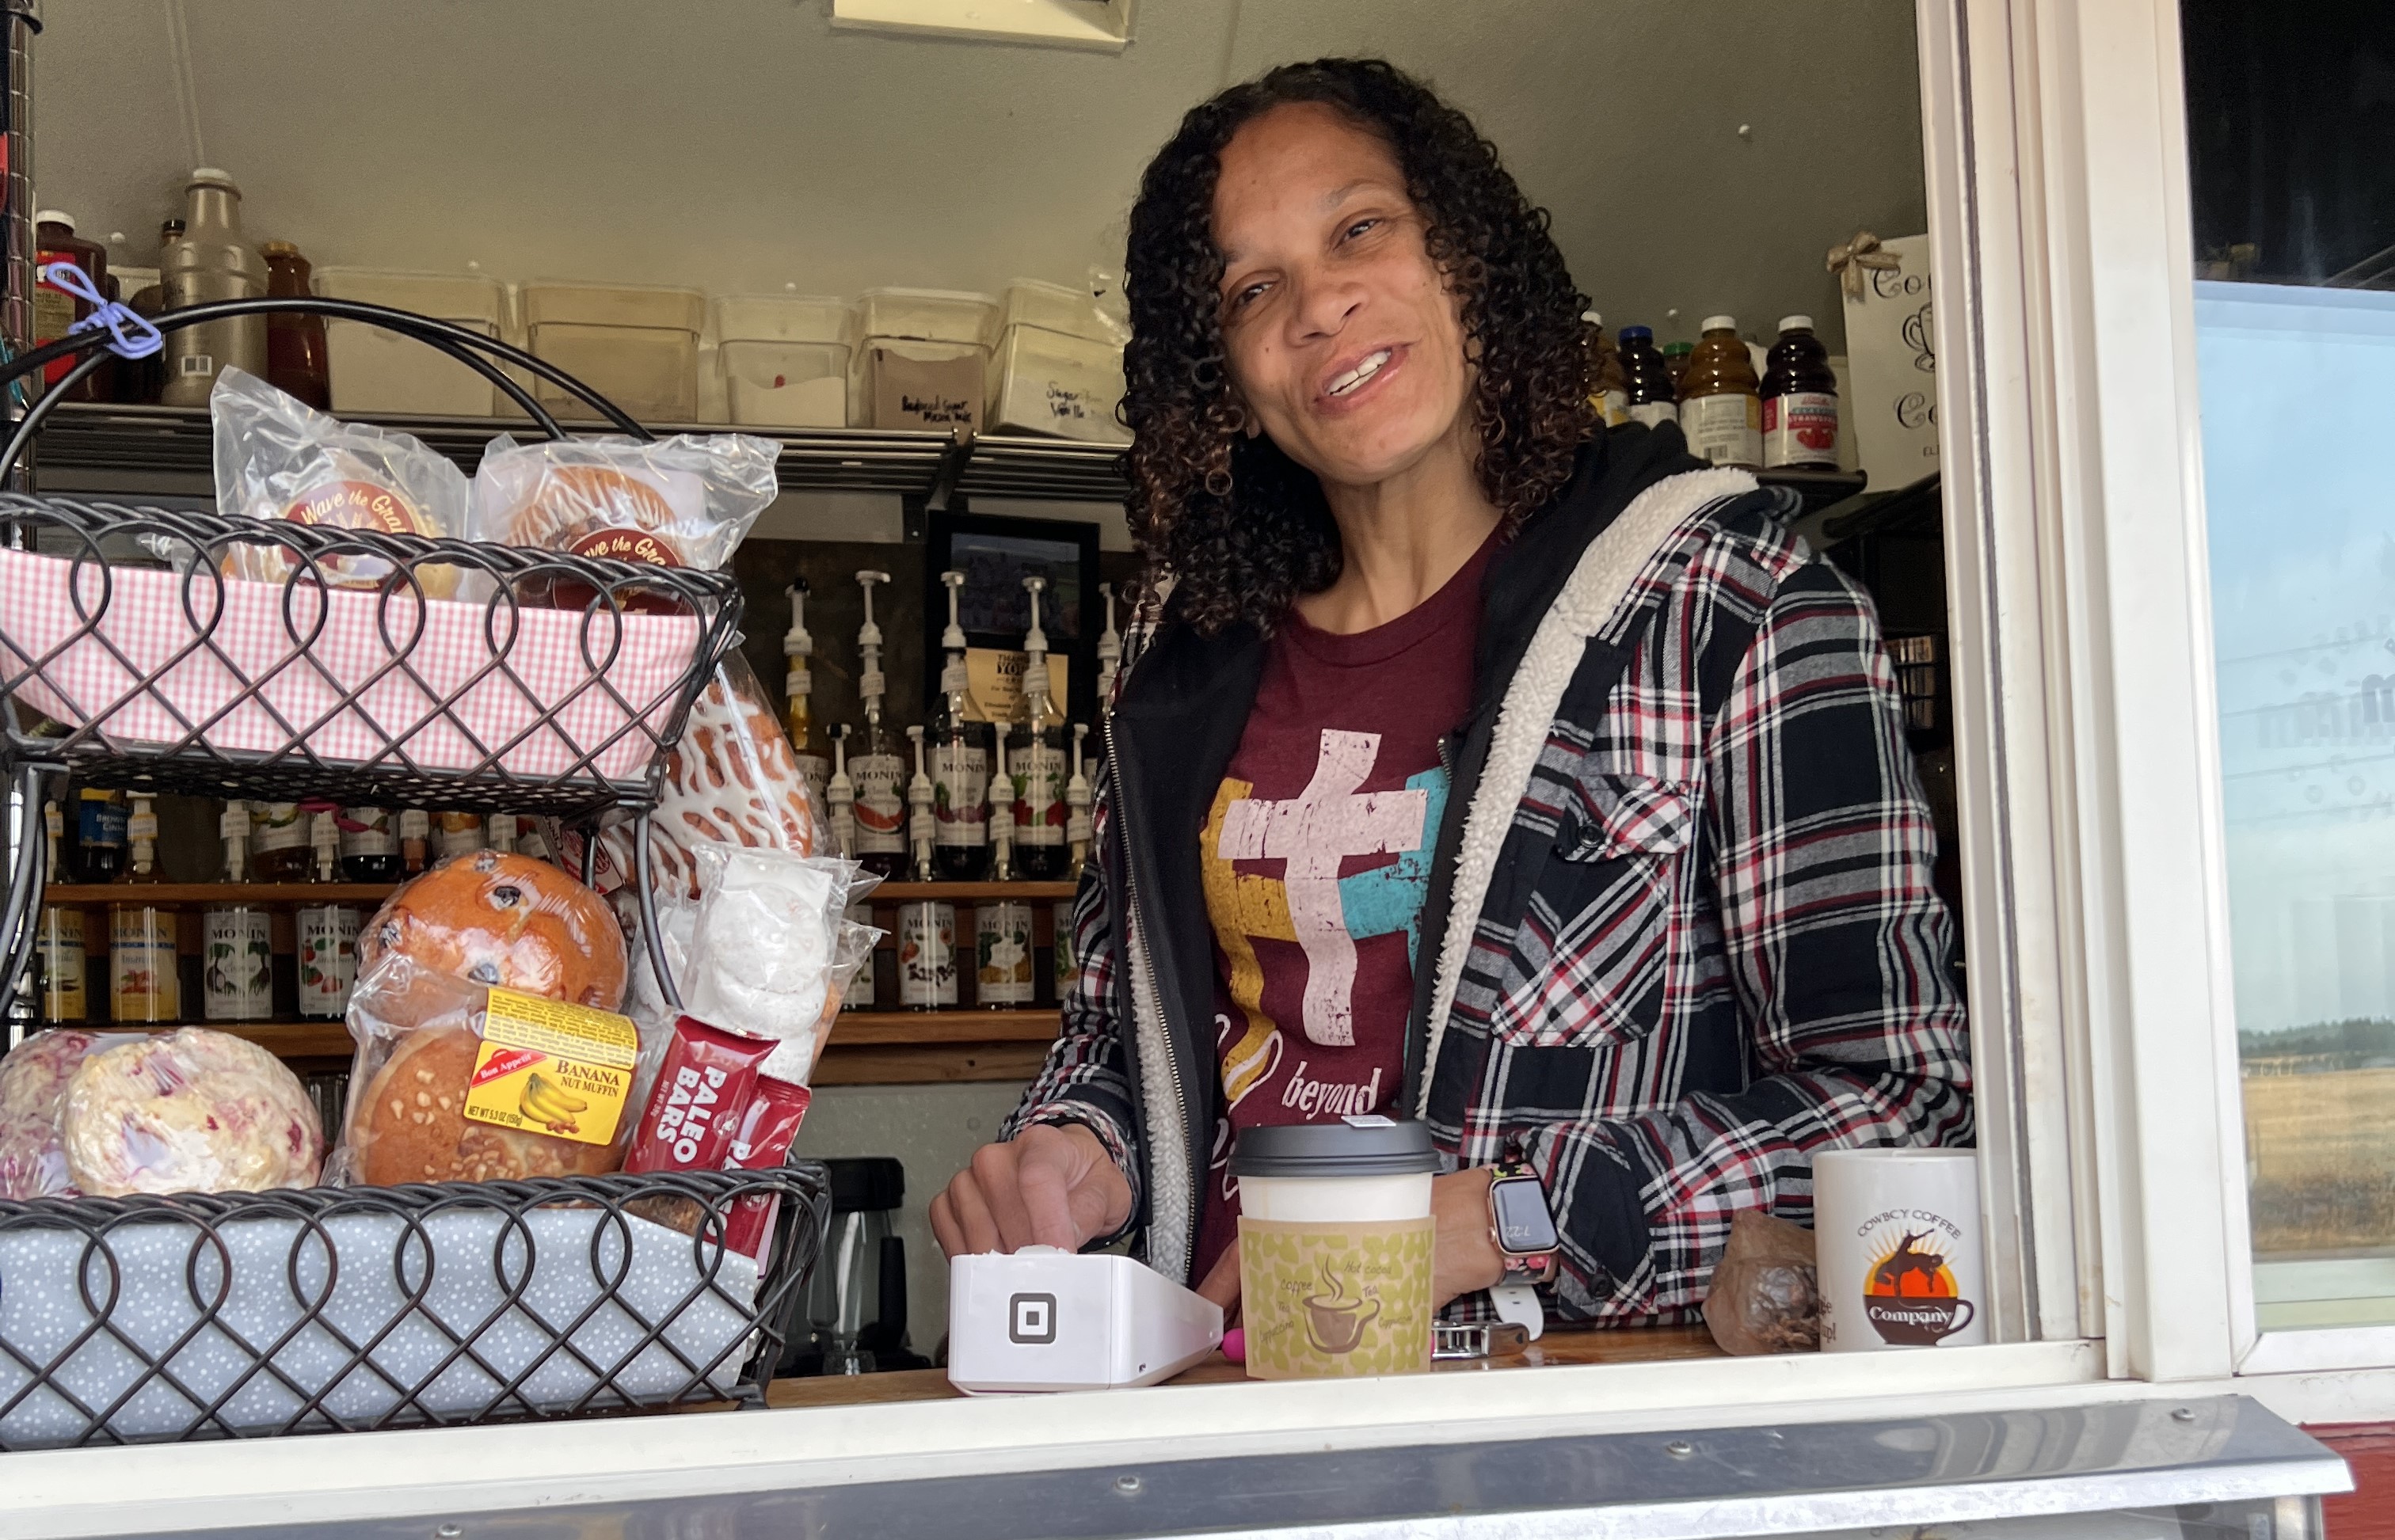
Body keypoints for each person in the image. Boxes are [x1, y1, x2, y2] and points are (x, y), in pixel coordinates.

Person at [930, 57, 1970, 1328]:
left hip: (1546, 1454)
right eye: (1255, 290)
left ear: (1464, 253)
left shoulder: (1731, 599)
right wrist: (1076, 1149)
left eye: (1359, 228)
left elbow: (1900, 1109)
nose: (1320, 306)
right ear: (1228, 384)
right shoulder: (1179, 648)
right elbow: (1119, 1032)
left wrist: (1491, 1219)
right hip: (1212, 1396)